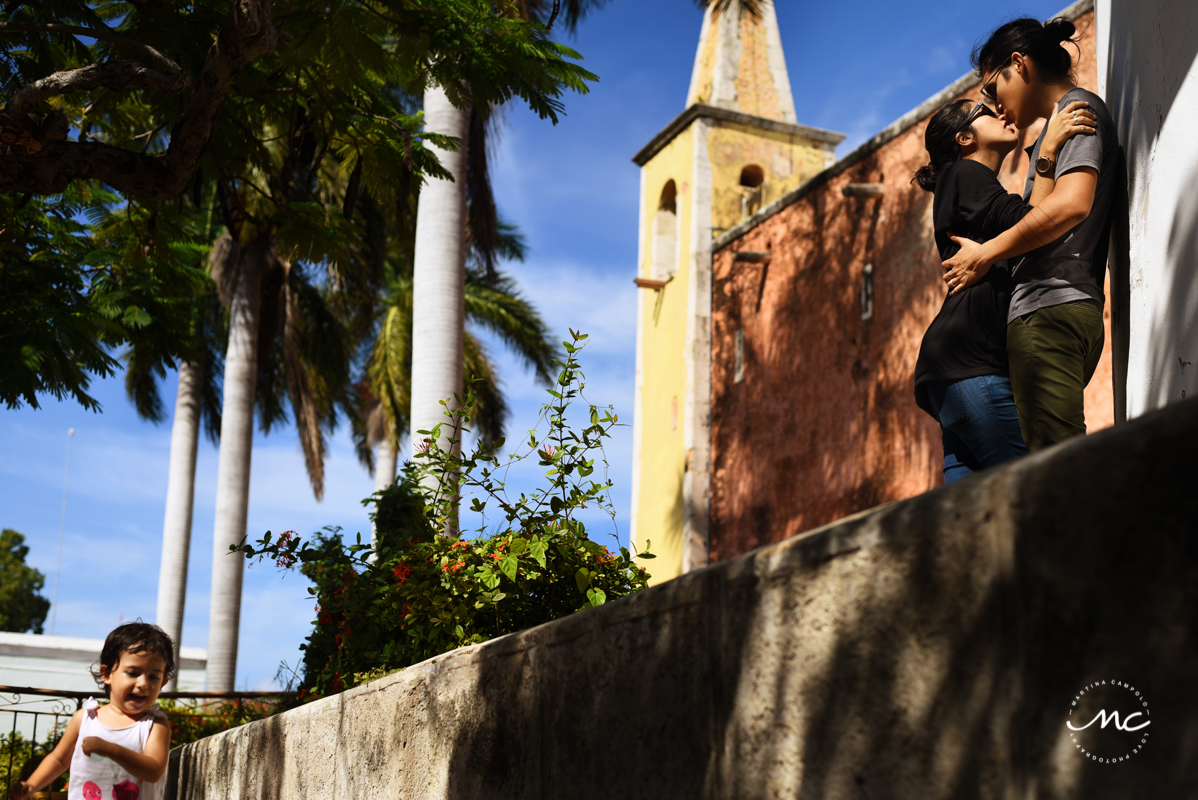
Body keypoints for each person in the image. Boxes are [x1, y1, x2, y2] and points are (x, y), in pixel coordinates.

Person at [942, 17, 1119, 452]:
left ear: (1017, 65)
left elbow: (1072, 204)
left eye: (991, 88)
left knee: (1055, 469)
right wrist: (1045, 156)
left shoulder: (1078, 109)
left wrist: (984, 254)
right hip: (1054, 310)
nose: (994, 104)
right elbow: (1039, 215)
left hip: (1050, 310)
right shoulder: (1056, 129)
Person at [913, 93, 1095, 482]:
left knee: (974, 522)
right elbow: (1037, 224)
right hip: (973, 365)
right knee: (1036, 490)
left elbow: (1023, 231)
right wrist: (1046, 151)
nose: (1000, 112)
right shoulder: (965, 173)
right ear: (964, 139)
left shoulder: (964, 183)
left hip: (951, 372)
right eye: (985, 112)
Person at [8, 622, 174, 800]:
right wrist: (31, 785)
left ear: (163, 683)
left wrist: (110, 749)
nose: (143, 684)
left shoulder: (155, 725)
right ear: (107, 674)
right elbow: (59, 759)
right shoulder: (86, 718)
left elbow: (153, 770)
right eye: (133, 673)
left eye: (153, 677)